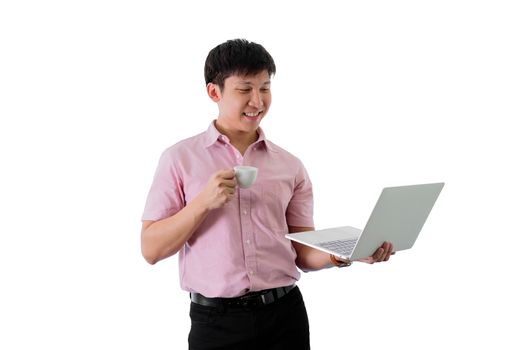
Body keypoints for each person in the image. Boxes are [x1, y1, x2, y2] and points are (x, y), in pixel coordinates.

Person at [141, 38, 394, 350]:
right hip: (215, 323)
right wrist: (203, 203)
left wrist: (341, 254)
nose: (257, 101)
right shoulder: (179, 159)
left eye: (265, 88)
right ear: (214, 92)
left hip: (284, 317)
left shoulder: (290, 166)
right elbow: (150, 249)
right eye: (245, 89)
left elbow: (303, 251)